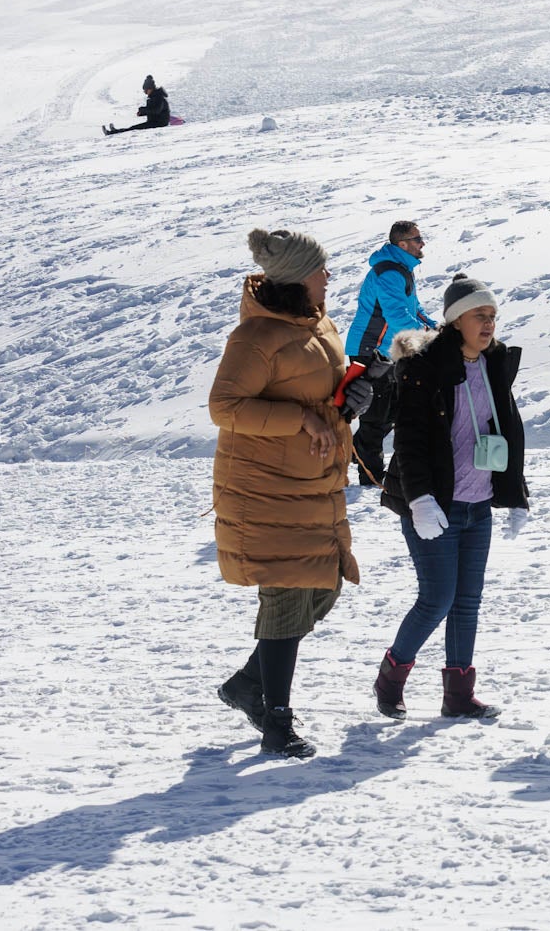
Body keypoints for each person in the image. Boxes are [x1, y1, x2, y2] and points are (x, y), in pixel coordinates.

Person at [209, 227, 375, 759]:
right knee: (285, 596)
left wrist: (352, 394)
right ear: (300, 277)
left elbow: (319, 388)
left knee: (323, 589)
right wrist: (300, 419)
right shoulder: (253, 338)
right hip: (265, 489)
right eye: (322, 269)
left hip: (314, 482)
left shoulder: (317, 324)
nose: (329, 277)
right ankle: (276, 724)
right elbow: (225, 408)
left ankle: (247, 683)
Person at [374, 273, 529, 722]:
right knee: (436, 599)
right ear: (456, 320)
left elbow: (509, 430)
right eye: (480, 316)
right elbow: (410, 439)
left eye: (493, 316)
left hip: (477, 504)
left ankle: (459, 694)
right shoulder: (425, 366)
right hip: (435, 506)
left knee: (467, 602)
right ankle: (391, 677)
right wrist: (419, 499)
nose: (489, 324)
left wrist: (515, 494)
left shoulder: (494, 363)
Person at [343, 221, 439, 485]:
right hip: (369, 350)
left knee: (393, 411)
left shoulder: (402, 270)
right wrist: (425, 336)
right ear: (403, 244)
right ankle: (370, 475)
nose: (422, 243)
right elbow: (395, 314)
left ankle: (355, 449)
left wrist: (435, 328)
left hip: (388, 351)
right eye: (418, 239)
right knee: (376, 415)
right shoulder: (389, 273)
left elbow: (414, 308)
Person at [103, 75, 171, 135]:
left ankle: (112, 133)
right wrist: (142, 113)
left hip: (159, 123)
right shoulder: (154, 97)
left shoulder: (158, 97)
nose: (145, 92)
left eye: (145, 90)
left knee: (133, 129)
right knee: (133, 128)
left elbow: (156, 111)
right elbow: (152, 110)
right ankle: (115, 131)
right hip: (154, 122)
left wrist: (143, 110)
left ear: (150, 89)